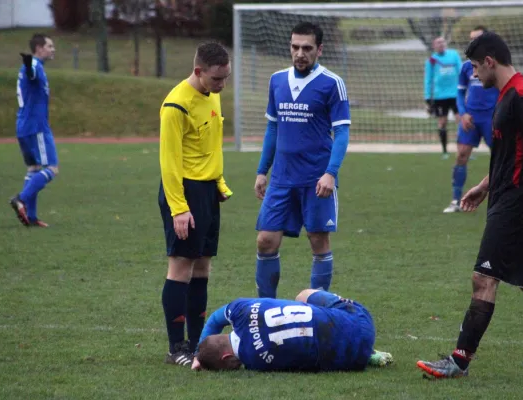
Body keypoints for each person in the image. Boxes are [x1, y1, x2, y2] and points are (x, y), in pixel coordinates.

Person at [417, 31, 523, 379]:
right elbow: (508, 156)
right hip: (506, 197)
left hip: (519, 204)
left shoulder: (521, 94)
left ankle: (459, 361)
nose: (473, 74)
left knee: (483, 277)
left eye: (475, 67)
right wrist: (483, 187)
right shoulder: (505, 95)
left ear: (490, 61)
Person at [254, 22, 350, 299]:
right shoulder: (277, 80)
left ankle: (316, 311)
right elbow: (273, 127)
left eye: (307, 48)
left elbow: (342, 132)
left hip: (316, 178)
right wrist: (263, 171)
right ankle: (266, 308)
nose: (300, 53)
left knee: (318, 240)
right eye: (295, 47)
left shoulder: (332, 83)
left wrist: (331, 173)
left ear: (319, 50)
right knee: (265, 241)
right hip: (282, 178)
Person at [158, 42, 233, 366]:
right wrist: (179, 208)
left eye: (226, 78)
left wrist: (218, 183)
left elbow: (211, 145)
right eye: (217, 79)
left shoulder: (211, 94)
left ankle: (199, 344)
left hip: (207, 193)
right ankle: (177, 349)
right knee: (181, 267)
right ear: (199, 71)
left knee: (202, 266)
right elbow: (170, 162)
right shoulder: (176, 105)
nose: (222, 85)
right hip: (184, 192)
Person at [190, 289, 393, 372]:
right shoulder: (240, 309)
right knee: (303, 295)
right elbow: (216, 318)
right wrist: (199, 353)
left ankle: (369, 355)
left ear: (227, 357)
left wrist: (203, 356)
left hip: (353, 360)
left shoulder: (256, 363)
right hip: (361, 320)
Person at [443, 26, 499, 213]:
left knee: (501, 158)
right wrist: (463, 113)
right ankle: (456, 201)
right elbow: (459, 92)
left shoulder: (495, 65)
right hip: (471, 118)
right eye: (471, 39)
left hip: (491, 118)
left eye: (477, 39)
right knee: (461, 155)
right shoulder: (467, 67)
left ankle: (500, 199)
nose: (473, 42)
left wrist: (498, 115)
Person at [10, 33, 57, 228]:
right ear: (39, 48)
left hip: (23, 125)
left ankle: (31, 216)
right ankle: (21, 198)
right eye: (50, 46)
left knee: (34, 169)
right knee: (52, 169)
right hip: (36, 126)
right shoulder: (34, 66)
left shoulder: (35, 66)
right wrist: (29, 64)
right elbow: (31, 73)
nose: (53, 49)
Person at [423, 36, 462, 159]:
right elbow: (428, 80)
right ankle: (445, 151)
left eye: (442, 42)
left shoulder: (454, 55)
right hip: (440, 97)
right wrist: (428, 97)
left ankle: (463, 150)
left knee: (461, 121)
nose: (441, 44)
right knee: (442, 122)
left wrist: (465, 89)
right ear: (434, 46)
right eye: (438, 43)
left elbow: (461, 71)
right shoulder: (431, 60)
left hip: (455, 94)